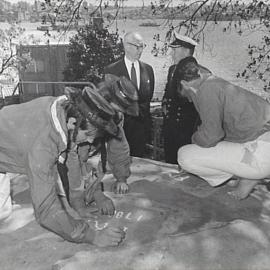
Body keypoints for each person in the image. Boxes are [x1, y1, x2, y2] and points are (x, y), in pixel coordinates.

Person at [0, 86, 126, 247]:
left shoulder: (64, 111)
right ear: (73, 123)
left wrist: (81, 202)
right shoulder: (43, 146)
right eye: (87, 135)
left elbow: (72, 166)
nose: (89, 142)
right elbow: (46, 210)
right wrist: (92, 236)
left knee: (3, 217)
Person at [176, 56, 270, 200]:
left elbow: (211, 136)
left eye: (187, 95)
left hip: (262, 154)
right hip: (263, 145)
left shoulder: (206, 90)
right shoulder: (215, 82)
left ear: (185, 83)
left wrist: (194, 139)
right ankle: (248, 174)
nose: (189, 99)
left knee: (184, 155)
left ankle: (249, 175)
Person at [67, 77, 139, 217]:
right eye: (119, 107)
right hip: (65, 159)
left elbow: (119, 148)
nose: (120, 113)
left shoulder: (113, 117)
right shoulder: (81, 112)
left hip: (84, 158)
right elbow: (74, 162)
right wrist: (96, 195)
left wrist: (121, 178)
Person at [162, 32, 210, 164]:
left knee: (186, 165)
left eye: (175, 50)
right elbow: (168, 95)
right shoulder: (172, 70)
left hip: (187, 130)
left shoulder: (202, 73)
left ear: (186, 51)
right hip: (170, 129)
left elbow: (206, 108)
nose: (172, 54)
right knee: (170, 164)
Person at [104, 31, 155, 157]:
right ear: (126, 46)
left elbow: (147, 99)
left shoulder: (148, 70)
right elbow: (109, 99)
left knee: (140, 165)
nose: (140, 50)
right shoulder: (111, 70)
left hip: (142, 131)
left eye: (142, 46)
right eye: (137, 46)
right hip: (120, 130)